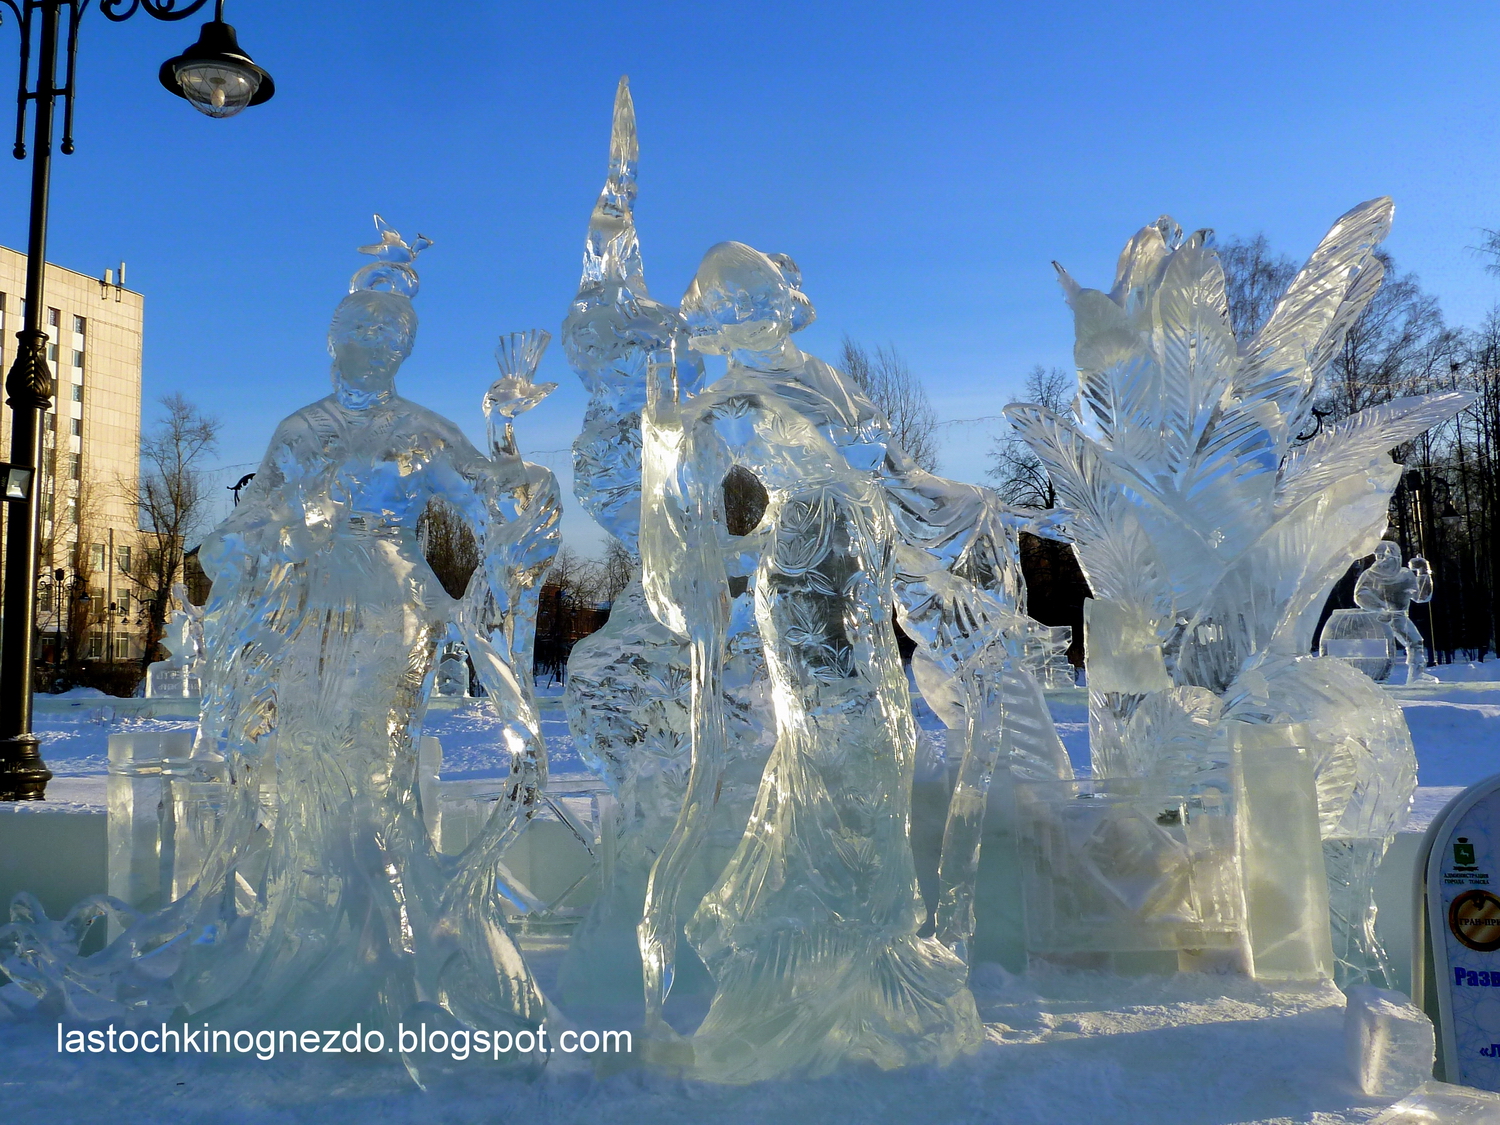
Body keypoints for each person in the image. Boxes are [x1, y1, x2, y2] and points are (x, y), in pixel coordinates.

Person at [1353, 539, 1433, 681]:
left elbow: (1421, 597)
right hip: (1374, 618)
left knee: (1416, 641)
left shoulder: (1405, 574)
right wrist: (1379, 608)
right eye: (1379, 556)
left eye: (1386, 556)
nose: (1382, 560)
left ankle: (1417, 675)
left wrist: (1424, 572)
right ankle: (1367, 678)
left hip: (1399, 617)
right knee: (1377, 650)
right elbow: (1360, 595)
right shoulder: (1370, 575)